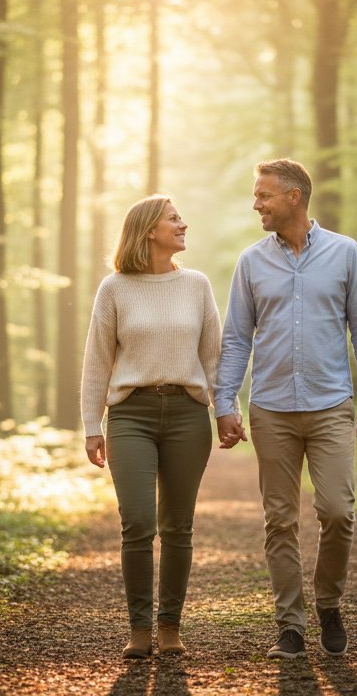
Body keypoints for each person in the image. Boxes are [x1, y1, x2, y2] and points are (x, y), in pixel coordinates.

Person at [215, 158, 357, 659]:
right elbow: (235, 339)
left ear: (294, 196)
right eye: (255, 195)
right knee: (279, 520)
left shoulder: (344, 253)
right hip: (271, 410)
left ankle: (328, 603)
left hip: (331, 405)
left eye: (264, 195)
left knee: (338, 512)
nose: (256, 204)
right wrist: (224, 403)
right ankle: (290, 624)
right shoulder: (251, 262)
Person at [80, 194, 221, 659]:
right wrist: (91, 425)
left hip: (186, 414)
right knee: (137, 522)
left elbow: (213, 358)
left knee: (178, 525)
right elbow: (97, 361)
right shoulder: (115, 288)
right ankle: (139, 627)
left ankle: (169, 626)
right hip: (130, 415)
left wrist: (226, 411)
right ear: (148, 232)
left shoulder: (197, 285)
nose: (184, 224)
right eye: (174, 219)